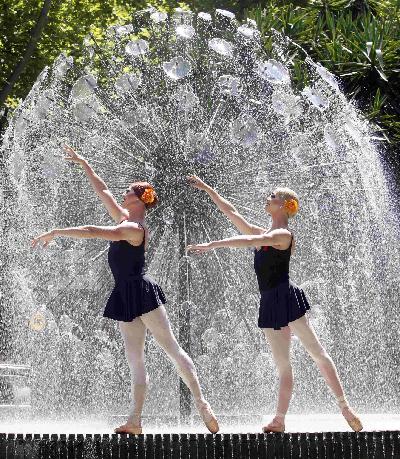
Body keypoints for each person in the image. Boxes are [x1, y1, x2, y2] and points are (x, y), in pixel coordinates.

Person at [31, 146, 219, 434]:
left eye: (128, 192)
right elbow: (103, 190)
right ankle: (135, 420)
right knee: (135, 359)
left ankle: (202, 403)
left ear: (139, 199)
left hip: (141, 292)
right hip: (123, 294)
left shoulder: (135, 228)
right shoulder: (124, 218)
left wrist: (57, 232)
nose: (123, 194)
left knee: (172, 349)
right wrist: (84, 164)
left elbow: (94, 231)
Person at [186, 174, 363, 433]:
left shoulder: (283, 235)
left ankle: (345, 406)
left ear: (283, 205)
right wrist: (207, 188)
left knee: (317, 352)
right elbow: (231, 212)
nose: (267, 198)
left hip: (286, 297)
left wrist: (213, 245)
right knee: (283, 366)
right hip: (269, 302)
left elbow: (249, 241)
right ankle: (279, 420)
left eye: (272, 196)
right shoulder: (265, 232)